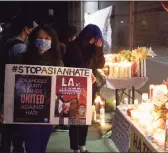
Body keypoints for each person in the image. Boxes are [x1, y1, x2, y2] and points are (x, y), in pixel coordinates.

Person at [20, 24, 63, 153]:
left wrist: (88, 78)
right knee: (32, 147)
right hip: (27, 110)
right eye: (40, 37)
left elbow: (64, 83)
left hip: (47, 113)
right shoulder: (22, 58)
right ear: (33, 39)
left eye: (47, 37)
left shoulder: (57, 62)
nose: (43, 40)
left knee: (42, 146)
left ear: (52, 40)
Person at [64, 24, 105, 153]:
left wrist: (99, 49)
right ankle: (75, 147)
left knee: (85, 116)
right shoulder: (74, 46)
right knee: (76, 116)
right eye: (93, 39)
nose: (94, 42)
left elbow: (100, 63)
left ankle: (82, 145)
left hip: (89, 86)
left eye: (96, 40)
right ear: (88, 36)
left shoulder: (93, 48)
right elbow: (84, 66)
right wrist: (95, 52)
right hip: (74, 86)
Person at [0, 15, 37, 153]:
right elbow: (23, 74)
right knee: (16, 134)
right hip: (14, 93)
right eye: (33, 29)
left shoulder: (7, 42)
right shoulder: (20, 47)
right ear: (26, 29)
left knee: (6, 133)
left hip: (4, 90)